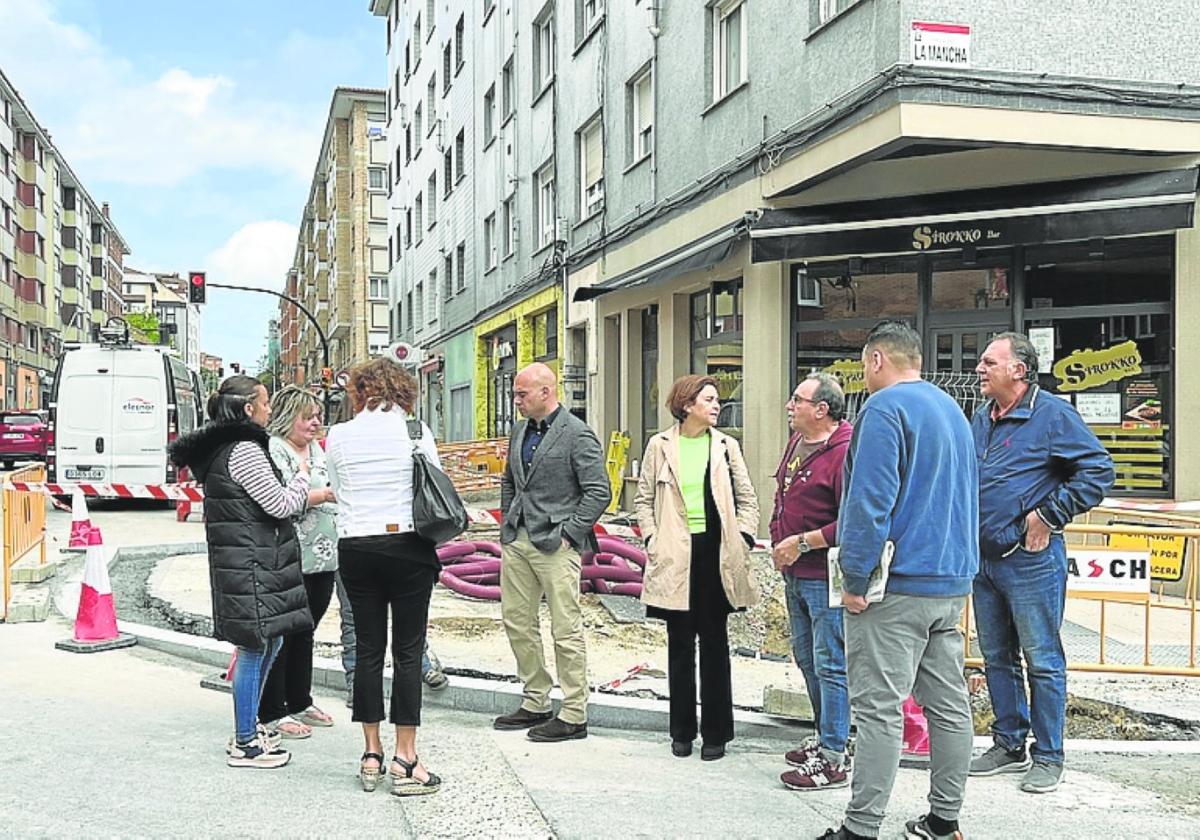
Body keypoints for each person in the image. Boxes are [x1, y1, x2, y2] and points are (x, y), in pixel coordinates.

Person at [819, 321, 977, 840]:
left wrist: (855, 579)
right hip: (949, 579)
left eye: (865, 366)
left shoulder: (884, 410)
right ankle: (943, 819)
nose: (864, 378)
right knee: (948, 705)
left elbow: (868, 502)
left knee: (878, 709)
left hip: (897, 583)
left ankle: (860, 828)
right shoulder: (951, 409)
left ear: (877, 360)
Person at [968, 332, 1114, 794]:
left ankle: (1048, 756)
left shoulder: (1053, 415)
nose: (979, 369)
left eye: (989, 362)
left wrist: (1049, 515)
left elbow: (1099, 471)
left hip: (1031, 561)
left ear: (1019, 370)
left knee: (1043, 661)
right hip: (984, 561)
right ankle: (1009, 742)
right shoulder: (982, 417)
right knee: (996, 657)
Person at [168, 375, 313, 769]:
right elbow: (280, 505)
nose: (269, 410)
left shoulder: (223, 448)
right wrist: (302, 475)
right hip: (251, 564)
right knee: (254, 646)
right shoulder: (245, 450)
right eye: (265, 403)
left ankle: (250, 727)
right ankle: (245, 741)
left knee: (270, 643)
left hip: (248, 561)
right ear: (249, 408)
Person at [324, 358, 442, 796]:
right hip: (407, 545)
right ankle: (405, 758)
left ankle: (370, 752)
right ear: (403, 390)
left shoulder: (337, 435)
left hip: (356, 547)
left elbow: (337, 486)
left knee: (369, 650)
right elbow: (435, 481)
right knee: (408, 653)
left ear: (358, 391)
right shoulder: (415, 432)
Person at [634, 375, 760, 761]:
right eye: (709, 399)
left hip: (717, 553)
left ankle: (717, 735)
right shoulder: (660, 445)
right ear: (687, 404)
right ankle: (682, 732)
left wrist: (745, 537)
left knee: (716, 646)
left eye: (716, 400)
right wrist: (652, 539)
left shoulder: (725, 446)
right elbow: (642, 500)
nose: (716, 405)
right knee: (679, 647)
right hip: (674, 554)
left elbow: (747, 498)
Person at [493, 362, 611, 742]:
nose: (516, 401)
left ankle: (574, 711)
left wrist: (569, 534)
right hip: (519, 540)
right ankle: (536, 700)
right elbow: (511, 480)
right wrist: (509, 524)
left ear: (546, 392)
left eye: (521, 394)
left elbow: (598, 491)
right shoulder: (520, 431)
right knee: (517, 621)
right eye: (515, 394)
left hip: (556, 544)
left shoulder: (577, 434)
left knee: (566, 628)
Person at [769, 372, 853, 789]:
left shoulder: (845, 453)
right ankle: (825, 737)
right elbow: (783, 492)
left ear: (822, 409)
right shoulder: (799, 442)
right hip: (796, 574)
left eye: (797, 400)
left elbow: (856, 521)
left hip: (824, 576)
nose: (790, 406)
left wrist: (800, 543)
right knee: (807, 658)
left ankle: (835, 755)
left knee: (831, 663)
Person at [258, 387, 338, 740]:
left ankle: (299, 699)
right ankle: (273, 709)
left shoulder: (317, 448)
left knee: (306, 631)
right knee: (284, 634)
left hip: (323, 556)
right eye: (308, 417)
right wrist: (323, 495)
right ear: (289, 416)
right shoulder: (275, 451)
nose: (315, 423)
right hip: (290, 555)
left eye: (318, 416)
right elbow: (279, 500)